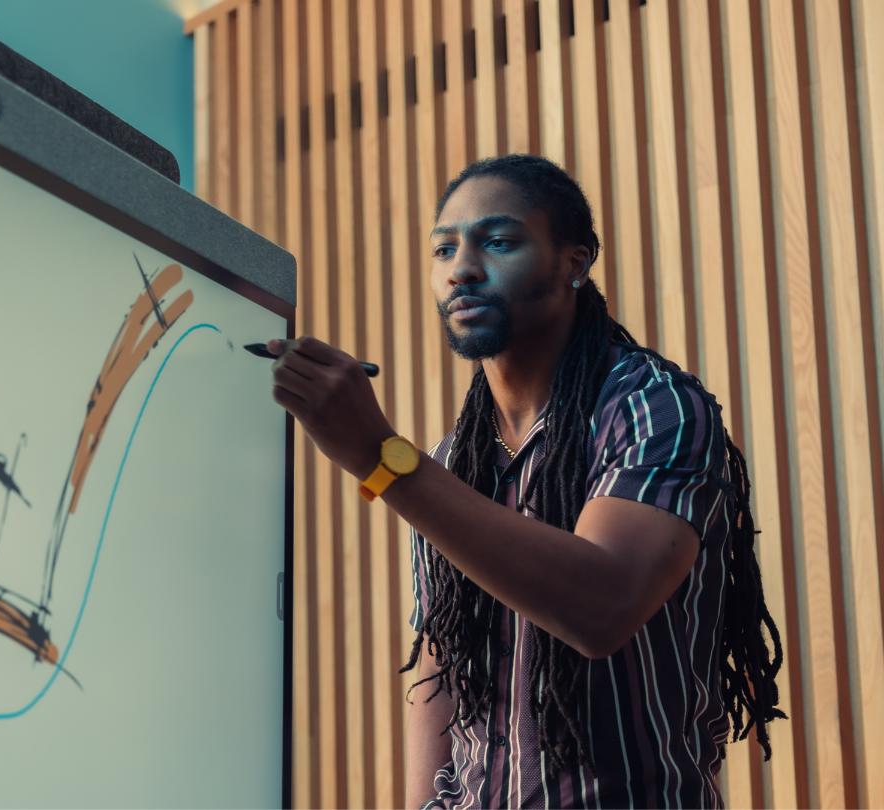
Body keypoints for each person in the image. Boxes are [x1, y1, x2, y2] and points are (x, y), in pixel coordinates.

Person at [267, 154, 784, 808]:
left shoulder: (655, 407)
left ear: (575, 260)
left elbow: (604, 605)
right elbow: (439, 657)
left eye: (500, 241)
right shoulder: (453, 458)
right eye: (444, 248)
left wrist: (380, 456)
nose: (462, 268)